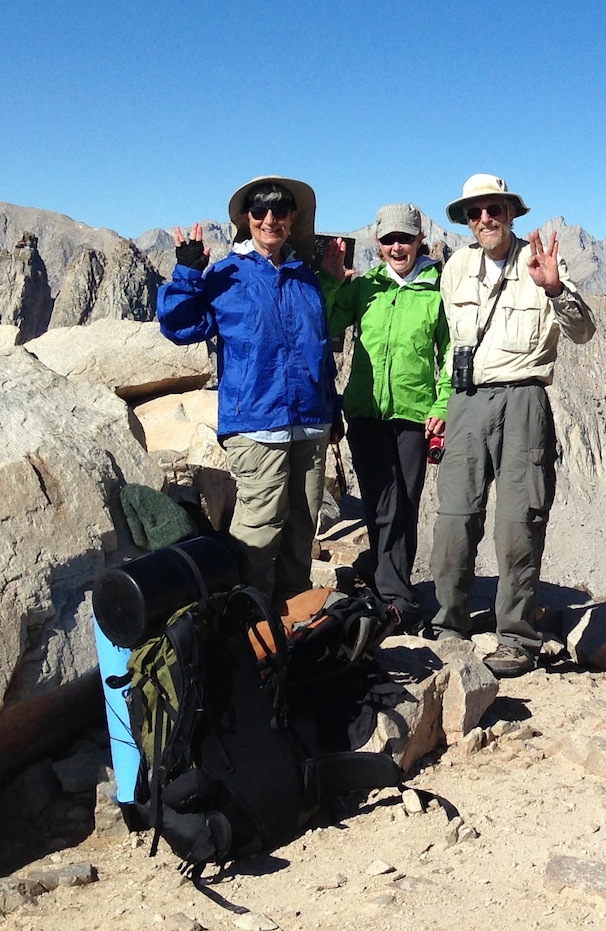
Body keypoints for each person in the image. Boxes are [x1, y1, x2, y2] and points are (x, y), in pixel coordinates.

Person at [429, 174, 597, 678]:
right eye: (475, 211)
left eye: (494, 209)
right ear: (466, 219)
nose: (485, 219)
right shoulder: (456, 267)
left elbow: (584, 332)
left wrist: (555, 288)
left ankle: (516, 637)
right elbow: (450, 340)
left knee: (519, 522)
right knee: (455, 516)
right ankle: (447, 625)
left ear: (510, 213)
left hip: (525, 397)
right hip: (466, 401)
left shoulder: (542, 262)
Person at [158, 176, 340, 602]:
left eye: (280, 209)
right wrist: (187, 273)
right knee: (259, 527)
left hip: (311, 423)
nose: (270, 218)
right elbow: (179, 326)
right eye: (260, 210)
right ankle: (251, 617)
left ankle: (295, 612)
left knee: (302, 524)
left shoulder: (305, 278)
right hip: (257, 425)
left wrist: (334, 410)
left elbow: (319, 350)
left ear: (293, 219)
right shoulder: (226, 275)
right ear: (246, 218)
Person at [321, 204, 450, 634]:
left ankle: (389, 589)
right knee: (382, 501)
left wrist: (442, 404)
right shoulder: (365, 288)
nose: (397, 247)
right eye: (389, 240)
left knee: (404, 503)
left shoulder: (437, 290)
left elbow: (451, 351)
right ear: (378, 245)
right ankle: (394, 594)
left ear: (419, 242)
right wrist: (334, 279)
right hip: (365, 411)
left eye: (405, 239)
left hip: (415, 413)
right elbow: (328, 321)